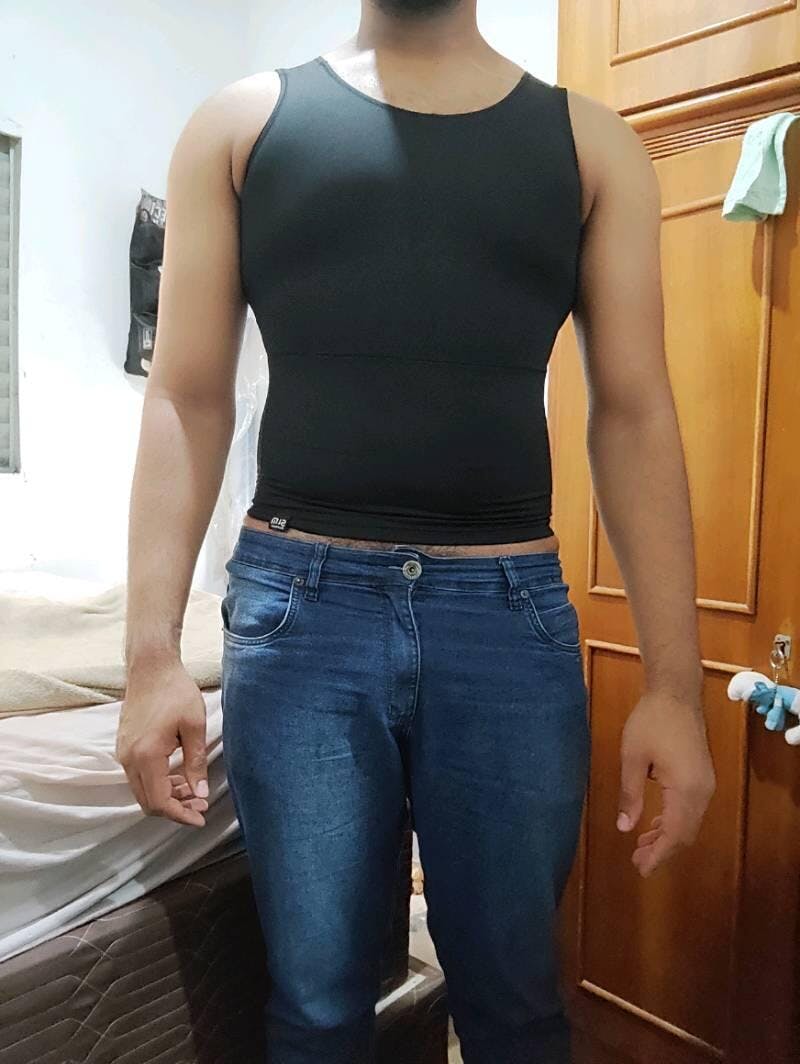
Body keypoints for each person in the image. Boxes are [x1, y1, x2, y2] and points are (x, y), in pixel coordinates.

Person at [116, 0, 716, 1060]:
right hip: (298, 616)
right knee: (314, 1008)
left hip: (506, 622)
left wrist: (675, 687)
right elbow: (186, 396)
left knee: (516, 1009)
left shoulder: (593, 148)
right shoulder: (238, 128)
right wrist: (150, 655)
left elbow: (633, 411)